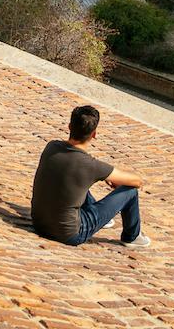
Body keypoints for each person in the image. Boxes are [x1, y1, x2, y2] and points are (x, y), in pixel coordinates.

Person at [30, 105, 150, 248]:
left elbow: (79, 168)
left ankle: (103, 220)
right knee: (130, 191)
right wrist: (109, 177)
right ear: (94, 134)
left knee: (71, 178)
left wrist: (104, 175)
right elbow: (137, 181)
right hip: (70, 234)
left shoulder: (51, 147)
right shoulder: (91, 166)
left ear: (69, 127)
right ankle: (132, 236)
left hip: (39, 224)